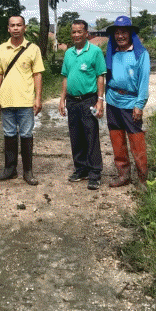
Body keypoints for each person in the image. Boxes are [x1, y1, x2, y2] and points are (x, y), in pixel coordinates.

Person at [0, 14, 45, 184]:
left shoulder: (33, 49)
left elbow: (37, 74)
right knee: (8, 135)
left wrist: (38, 98)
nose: (15, 28)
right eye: (12, 25)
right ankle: (10, 169)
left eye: (19, 25)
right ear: (8, 28)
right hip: (6, 100)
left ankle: (28, 172)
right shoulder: (1, 49)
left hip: (26, 101)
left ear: (24, 28)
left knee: (27, 135)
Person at [58, 19, 106, 190]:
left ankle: (94, 172)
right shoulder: (69, 53)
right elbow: (65, 76)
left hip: (89, 100)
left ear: (87, 33)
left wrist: (100, 100)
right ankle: (81, 169)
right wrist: (62, 99)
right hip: (72, 101)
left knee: (91, 136)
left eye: (79, 32)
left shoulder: (95, 52)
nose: (76, 35)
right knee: (76, 136)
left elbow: (101, 76)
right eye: (73, 32)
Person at [103, 16, 151, 188]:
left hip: (131, 103)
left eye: (123, 32)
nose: (120, 36)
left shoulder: (140, 54)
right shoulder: (112, 53)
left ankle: (142, 178)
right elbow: (105, 76)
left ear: (130, 34)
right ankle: (123, 175)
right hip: (113, 101)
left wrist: (140, 105)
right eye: (117, 33)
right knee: (117, 140)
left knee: (136, 141)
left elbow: (144, 82)